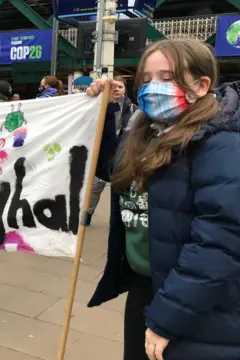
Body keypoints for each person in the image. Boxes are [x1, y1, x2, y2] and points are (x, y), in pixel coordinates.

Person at [87, 39, 240, 360]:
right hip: (149, 286)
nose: (153, 87)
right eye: (146, 78)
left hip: (198, 303)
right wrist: (104, 108)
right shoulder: (146, 131)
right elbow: (110, 170)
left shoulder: (221, 143)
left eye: (167, 78)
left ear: (201, 85)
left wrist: (167, 318)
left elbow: (220, 242)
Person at [86, 76, 137, 225]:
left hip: (123, 157)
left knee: (120, 192)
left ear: (125, 90)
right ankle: (86, 216)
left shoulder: (134, 109)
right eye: (114, 87)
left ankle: (121, 220)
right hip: (103, 155)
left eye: (120, 87)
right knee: (94, 187)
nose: (116, 89)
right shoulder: (100, 106)